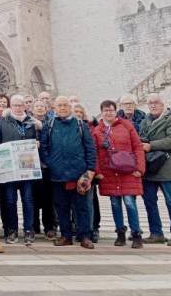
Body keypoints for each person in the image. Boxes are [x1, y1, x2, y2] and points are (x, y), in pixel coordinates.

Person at [39, 96, 96, 249]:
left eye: (65, 105)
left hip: (78, 174)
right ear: (54, 108)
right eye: (59, 105)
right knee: (61, 206)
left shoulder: (80, 125)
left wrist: (90, 170)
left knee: (81, 207)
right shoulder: (49, 125)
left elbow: (90, 148)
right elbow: (43, 148)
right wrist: (51, 163)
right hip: (57, 175)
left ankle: (84, 236)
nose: (63, 108)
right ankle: (66, 236)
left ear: (70, 107)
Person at [92, 100, 145, 249]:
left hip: (128, 171)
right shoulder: (98, 130)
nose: (108, 113)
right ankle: (120, 233)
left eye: (111, 110)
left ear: (116, 111)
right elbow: (94, 153)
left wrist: (140, 168)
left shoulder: (127, 126)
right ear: (101, 112)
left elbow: (138, 147)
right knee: (115, 204)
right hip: (109, 172)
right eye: (105, 110)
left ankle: (136, 234)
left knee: (129, 202)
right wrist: (98, 172)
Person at [0, 95, 41, 245]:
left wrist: (38, 143)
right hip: (10, 169)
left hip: (27, 168)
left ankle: (28, 230)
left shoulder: (32, 123)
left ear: (25, 106)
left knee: (28, 200)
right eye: (15, 105)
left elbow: (42, 140)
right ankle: (11, 230)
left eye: (20, 105)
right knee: (10, 200)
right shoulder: (3, 121)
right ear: (10, 106)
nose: (18, 108)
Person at [139, 93, 171, 247]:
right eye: (150, 103)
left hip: (166, 168)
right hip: (150, 168)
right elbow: (141, 137)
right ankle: (156, 232)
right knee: (149, 201)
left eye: (156, 102)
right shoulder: (145, 121)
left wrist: (151, 145)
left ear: (162, 103)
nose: (153, 105)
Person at [28, 99, 57, 240]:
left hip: (47, 165)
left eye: (42, 106)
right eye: (37, 106)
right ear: (32, 109)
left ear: (46, 109)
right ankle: (33, 226)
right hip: (30, 164)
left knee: (48, 198)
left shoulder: (51, 123)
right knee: (31, 197)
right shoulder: (27, 123)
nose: (39, 108)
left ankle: (49, 227)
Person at [72, 103, 100, 242]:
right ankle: (79, 229)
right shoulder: (69, 126)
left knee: (87, 202)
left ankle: (89, 230)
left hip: (86, 171)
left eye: (80, 111)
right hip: (72, 170)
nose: (77, 113)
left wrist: (92, 171)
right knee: (75, 203)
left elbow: (93, 151)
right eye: (75, 111)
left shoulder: (89, 128)